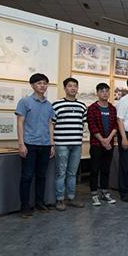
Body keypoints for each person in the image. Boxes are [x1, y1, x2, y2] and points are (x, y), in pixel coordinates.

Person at [15, 73, 55, 218]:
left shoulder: (49, 104)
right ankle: (25, 206)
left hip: (45, 144)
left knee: (41, 176)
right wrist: (21, 144)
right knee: (26, 176)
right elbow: (20, 122)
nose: (42, 86)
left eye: (45, 83)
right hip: (29, 144)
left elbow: (50, 124)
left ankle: (39, 202)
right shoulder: (25, 101)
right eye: (39, 83)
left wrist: (52, 144)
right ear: (32, 85)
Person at [52, 77, 87, 211]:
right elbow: (52, 124)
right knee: (61, 173)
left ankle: (71, 197)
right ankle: (60, 199)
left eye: (75, 86)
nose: (73, 88)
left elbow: (82, 124)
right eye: (70, 86)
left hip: (76, 144)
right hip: (61, 143)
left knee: (72, 173)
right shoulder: (57, 104)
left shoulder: (82, 106)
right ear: (65, 88)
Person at [87, 83, 118, 206]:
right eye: (102, 91)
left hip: (109, 144)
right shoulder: (92, 108)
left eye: (106, 91)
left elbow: (115, 125)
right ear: (97, 93)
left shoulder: (112, 108)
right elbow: (92, 127)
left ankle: (105, 192)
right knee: (94, 169)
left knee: (106, 169)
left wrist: (109, 139)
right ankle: (94, 194)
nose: (104, 93)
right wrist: (103, 140)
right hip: (96, 144)